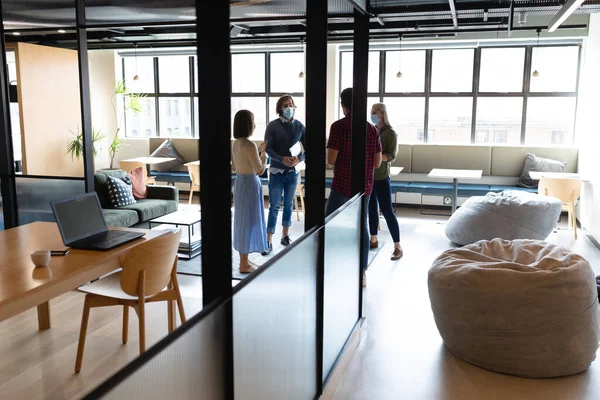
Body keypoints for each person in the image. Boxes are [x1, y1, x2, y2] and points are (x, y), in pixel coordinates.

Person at [326, 88, 382, 287]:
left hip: (342, 185)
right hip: (364, 187)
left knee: (329, 225)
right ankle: (362, 273)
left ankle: (330, 266)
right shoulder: (372, 129)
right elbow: (377, 163)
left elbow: (331, 159)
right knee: (361, 228)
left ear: (343, 105)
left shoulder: (338, 127)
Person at [262, 95, 306, 255]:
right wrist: (282, 159)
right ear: (280, 108)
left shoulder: (300, 126)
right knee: (274, 206)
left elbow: (308, 149)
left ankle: (285, 236)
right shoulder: (272, 126)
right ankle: (268, 239)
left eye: (291, 105)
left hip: (293, 173)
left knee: (289, 205)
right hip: (276, 172)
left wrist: (298, 159)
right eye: (285, 105)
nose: (289, 108)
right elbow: (267, 149)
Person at [231, 110, 268, 273]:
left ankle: (244, 261)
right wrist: (263, 154)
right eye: (252, 120)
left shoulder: (236, 143)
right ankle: (244, 264)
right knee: (249, 220)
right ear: (247, 124)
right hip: (250, 183)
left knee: (242, 220)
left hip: (240, 182)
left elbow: (234, 167)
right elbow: (259, 170)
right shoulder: (249, 144)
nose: (254, 124)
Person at [368, 103, 403, 261]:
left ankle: (397, 246)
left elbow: (392, 156)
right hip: (368, 176)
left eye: (375, 112)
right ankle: (373, 239)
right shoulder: (370, 130)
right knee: (371, 209)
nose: (373, 115)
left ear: (382, 114)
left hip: (381, 176)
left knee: (387, 211)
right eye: (371, 112)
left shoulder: (390, 133)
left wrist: (377, 156)